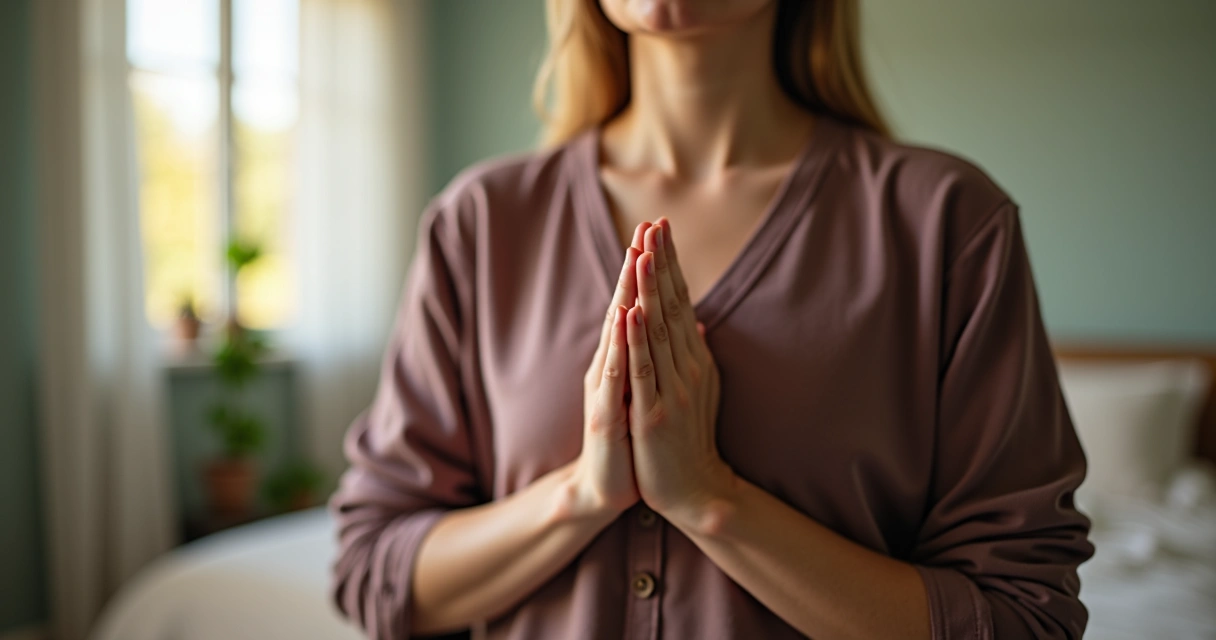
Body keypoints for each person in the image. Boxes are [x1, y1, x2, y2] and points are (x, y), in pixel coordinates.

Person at [329, 1, 1094, 638]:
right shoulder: (481, 223)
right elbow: (374, 570)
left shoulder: (948, 226)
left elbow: (1021, 616)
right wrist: (583, 494)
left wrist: (711, 500)